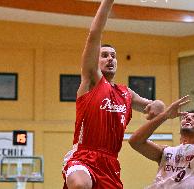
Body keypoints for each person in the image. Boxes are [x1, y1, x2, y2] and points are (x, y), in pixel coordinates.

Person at [62, 0, 165, 189]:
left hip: (110, 163)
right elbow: (94, 34)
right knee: (79, 185)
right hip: (84, 156)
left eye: (113, 56)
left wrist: (158, 105)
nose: (110, 58)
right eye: (105, 55)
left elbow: (151, 107)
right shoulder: (91, 81)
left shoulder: (126, 93)